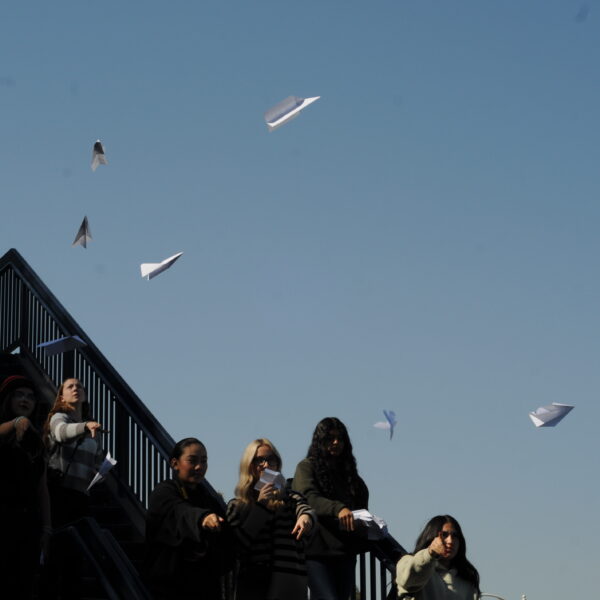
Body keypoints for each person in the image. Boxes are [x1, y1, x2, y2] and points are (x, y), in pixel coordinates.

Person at [144, 437, 234, 600]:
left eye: (204, 461)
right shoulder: (164, 491)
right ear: (174, 463)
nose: (199, 467)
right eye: (192, 461)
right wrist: (202, 519)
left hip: (205, 587)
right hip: (170, 588)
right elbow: (179, 512)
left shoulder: (209, 499)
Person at [227, 438, 315, 600]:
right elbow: (236, 546)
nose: (266, 465)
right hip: (254, 585)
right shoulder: (237, 506)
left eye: (270, 459)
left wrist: (306, 516)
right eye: (259, 460)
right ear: (249, 465)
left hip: (288, 584)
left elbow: (304, 508)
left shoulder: (290, 498)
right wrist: (260, 507)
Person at [292, 417, 369, 600]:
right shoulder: (306, 467)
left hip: (345, 553)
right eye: (330, 438)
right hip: (316, 553)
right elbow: (308, 496)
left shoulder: (352, 479)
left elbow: (361, 510)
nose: (336, 442)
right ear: (320, 441)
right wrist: (338, 508)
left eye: (340, 438)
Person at [41, 377, 105, 599]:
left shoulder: (91, 428)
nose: (76, 388)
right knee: (58, 554)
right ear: (62, 396)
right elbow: (60, 433)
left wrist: (102, 470)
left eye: (80, 386)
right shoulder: (59, 418)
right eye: (70, 386)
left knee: (76, 556)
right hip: (59, 494)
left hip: (81, 497)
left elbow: (96, 461)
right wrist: (85, 427)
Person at [0, 375, 51, 600]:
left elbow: (42, 487)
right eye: (19, 395)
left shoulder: (36, 442)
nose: (25, 400)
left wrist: (47, 527)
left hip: (28, 524)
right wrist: (16, 423)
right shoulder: (5, 430)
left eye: (30, 396)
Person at [395, 515, 480, 600]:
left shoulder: (467, 580)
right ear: (431, 537)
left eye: (455, 536)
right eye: (444, 535)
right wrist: (430, 553)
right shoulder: (408, 562)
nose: (450, 541)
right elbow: (409, 579)